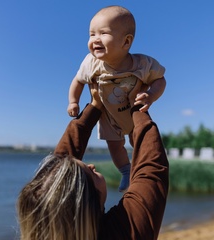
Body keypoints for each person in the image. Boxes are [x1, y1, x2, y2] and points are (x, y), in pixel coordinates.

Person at [17, 83, 169, 240]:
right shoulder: (123, 232)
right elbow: (151, 171)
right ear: (90, 200)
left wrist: (96, 105)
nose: (92, 166)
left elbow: (59, 168)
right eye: (88, 172)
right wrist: (137, 106)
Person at [67, 5, 166, 191]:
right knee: (114, 145)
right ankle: (126, 171)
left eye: (103, 33)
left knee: (139, 142)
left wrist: (151, 95)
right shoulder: (91, 63)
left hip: (134, 112)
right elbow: (77, 81)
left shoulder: (143, 64)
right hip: (109, 117)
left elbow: (160, 80)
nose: (95, 39)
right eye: (91, 34)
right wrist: (73, 101)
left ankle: (139, 170)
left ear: (126, 42)